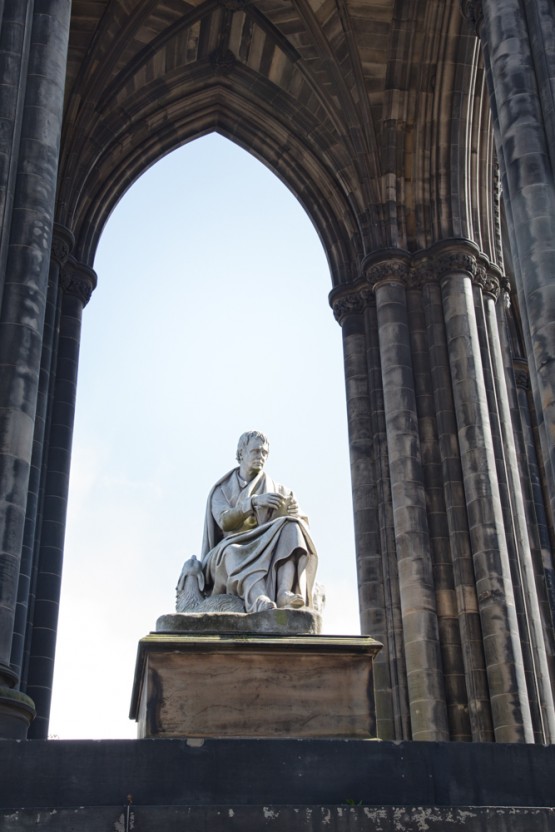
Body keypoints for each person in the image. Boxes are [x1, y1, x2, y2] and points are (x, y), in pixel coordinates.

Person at [201, 430, 318, 613]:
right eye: (256, 451)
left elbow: (303, 524)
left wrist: (295, 514)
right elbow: (224, 521)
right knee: (234, 553)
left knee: (293, 527)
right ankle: (257, 598)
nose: (261, 456)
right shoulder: (221, 489)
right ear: (241, 453)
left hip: (267, 547)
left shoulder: (279, 489)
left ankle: (284, 591)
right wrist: (253, 503)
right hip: (229, 548)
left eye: (264, 453)